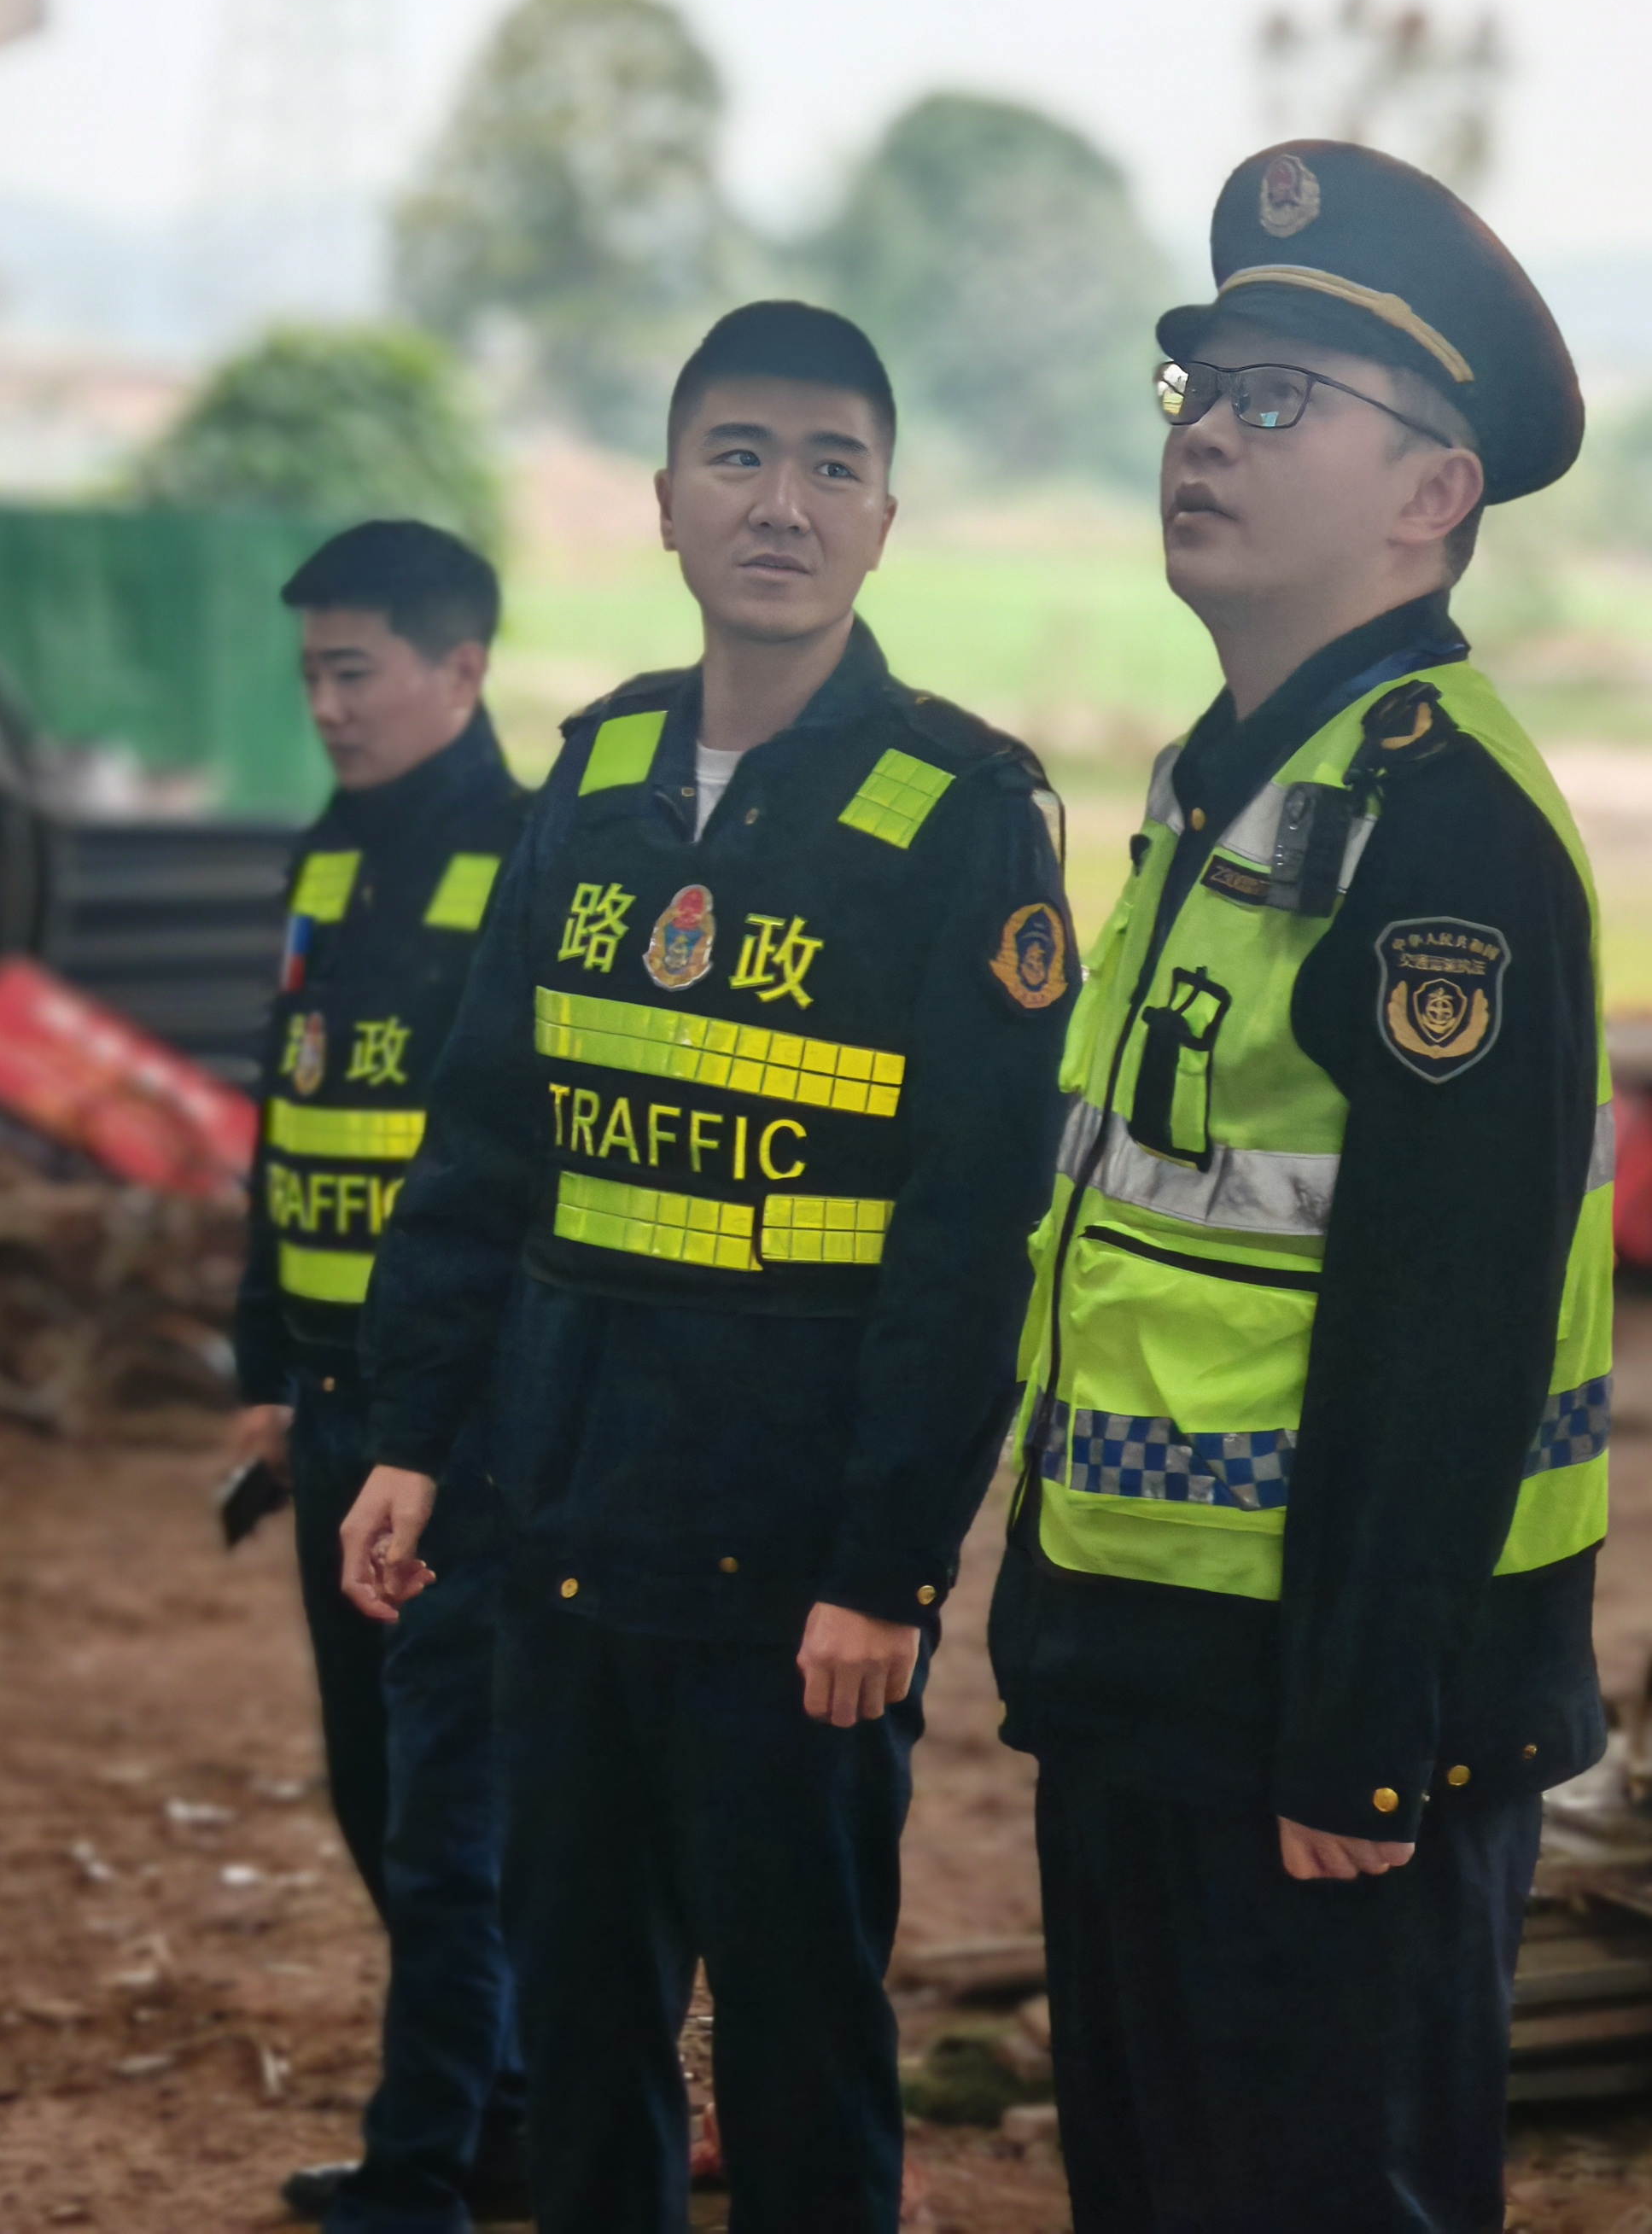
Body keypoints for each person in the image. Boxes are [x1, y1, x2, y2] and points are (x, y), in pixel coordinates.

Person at [338, 300, 1073, 2234]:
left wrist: (888, 1566)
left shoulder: (959, 813)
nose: (782, 503)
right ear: (664, 500)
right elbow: (486, 1145)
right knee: (583, 2026)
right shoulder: (595, 776)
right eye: (739, 456)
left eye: (834, 465)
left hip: (792, 1575)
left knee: (799, 2039)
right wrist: (415, 1432)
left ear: (887, 518)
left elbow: (970, 1240)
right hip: (560, 1529)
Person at [986, 141, 1614, 2233]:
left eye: (1279, 402)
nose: (1207, 439)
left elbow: (1449, 1326)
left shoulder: (1448, 835)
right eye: (1199, 391)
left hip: (1323, 1721)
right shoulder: (1233, 782)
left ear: (1436, 491)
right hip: (1150, 1674)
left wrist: (1363, 1733)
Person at [227, 520, 534, 2234]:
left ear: (460, 667)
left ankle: (428, 2173)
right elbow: (285, 1131)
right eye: (311, 677)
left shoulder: (525, 861)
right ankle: (505, 2119)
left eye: (354, 673)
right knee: (373, 1792)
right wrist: (263, 1364)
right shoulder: (327, 860)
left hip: (453, 1429)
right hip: (332, 1405)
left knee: (447, 1823)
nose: (327, 708)